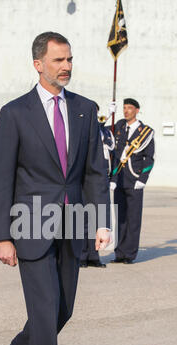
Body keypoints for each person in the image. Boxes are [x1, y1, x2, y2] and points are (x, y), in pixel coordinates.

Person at [0, 31, 110, 345]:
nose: (67, 66)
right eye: (59, 60)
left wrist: (101, 221)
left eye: (70, 59)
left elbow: (94, 171)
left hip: (73, 224)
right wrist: (2, 235)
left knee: (62, 310)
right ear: (38, 64)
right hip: (30, 225)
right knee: (43, 314)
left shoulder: (84, 109)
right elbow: (1, 179)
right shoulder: (15, 113)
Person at [110, 98, 155, 264]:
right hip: (119, 179)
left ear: (137, 110)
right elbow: (100, 130)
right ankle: (119, 253)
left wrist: (143, 178)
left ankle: (129, 254)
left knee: (133, 219)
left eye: (129, 108)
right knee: (120, 218)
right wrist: (110, 114)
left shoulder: (146, 132)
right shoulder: (119, 127)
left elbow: (149, 158)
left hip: (134, 179)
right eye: (124, 108)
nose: (126, 110)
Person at [80, 104, 113, 268]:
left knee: (96, 217)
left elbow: (112, 147)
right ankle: (81, 255)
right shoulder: (83, 130)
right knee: (81, 218)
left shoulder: (105, 132)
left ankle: (94, 255)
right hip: (83, 179)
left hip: (100, 177)